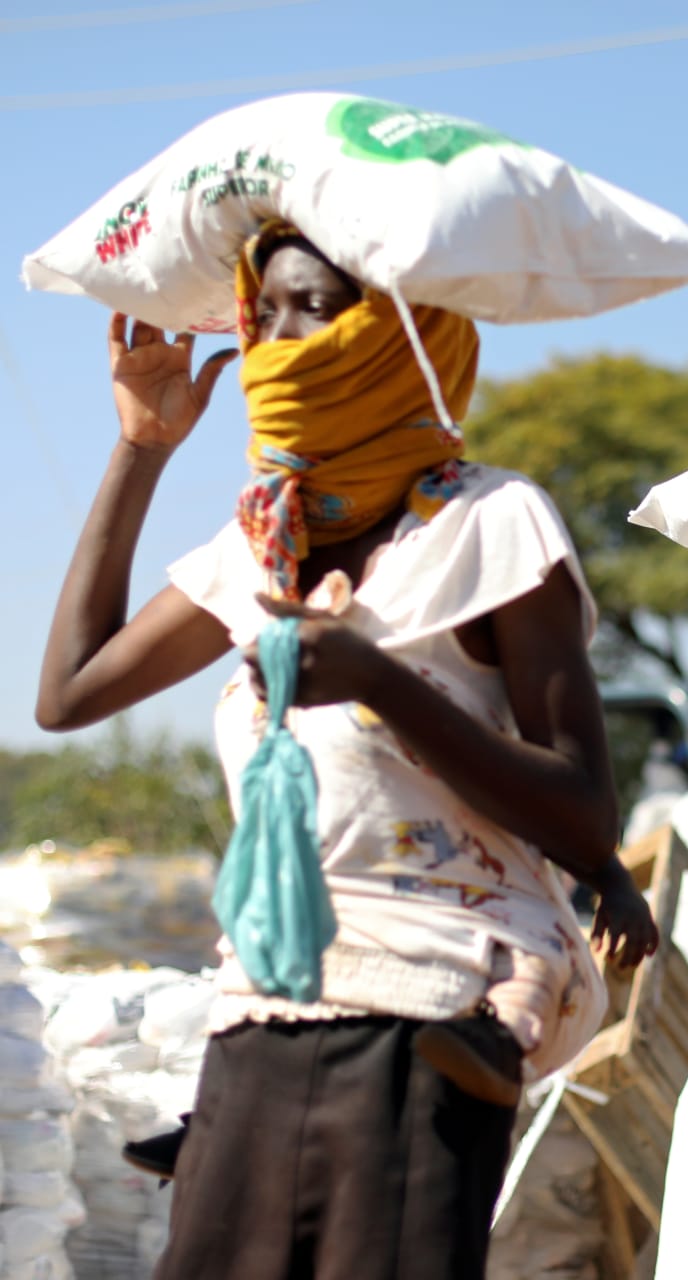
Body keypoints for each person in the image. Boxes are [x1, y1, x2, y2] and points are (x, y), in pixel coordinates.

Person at [37, 223, 654, 1280]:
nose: (280, 339)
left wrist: (379, 683)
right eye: (264, 311)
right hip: (265, 1002)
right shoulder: (259, 546)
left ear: (403, 333)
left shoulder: (490, 523)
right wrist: (141, 448)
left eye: (316, 308)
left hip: (435, 1008)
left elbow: (584, 809)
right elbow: (70, 690)